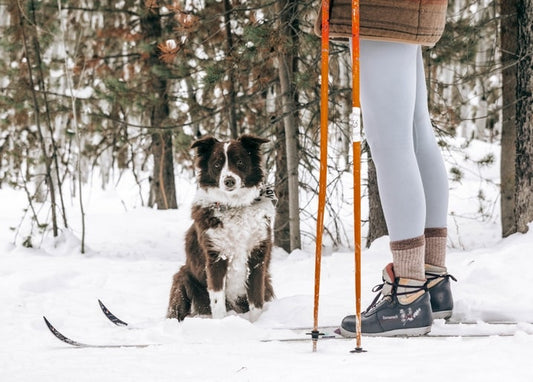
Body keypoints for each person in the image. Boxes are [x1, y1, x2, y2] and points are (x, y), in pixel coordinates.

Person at [315, 1, 455, 336]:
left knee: (391, 140)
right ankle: (430, 278)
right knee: (415, 130)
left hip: (381, 10)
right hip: (408, 10)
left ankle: (408, 294)